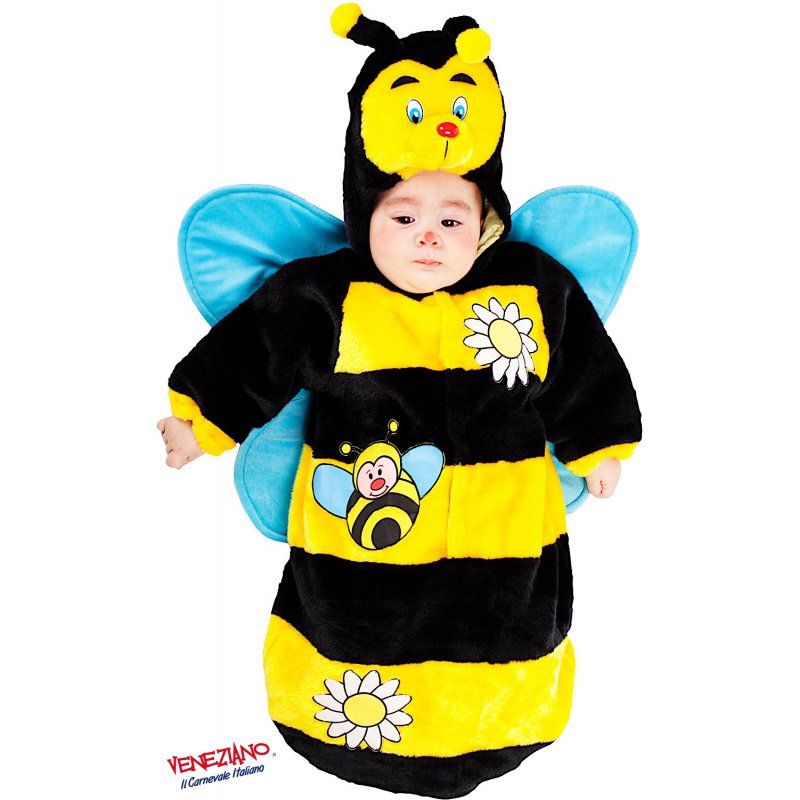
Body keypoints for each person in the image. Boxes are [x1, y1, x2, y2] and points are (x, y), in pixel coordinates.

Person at [158, 8, 641, 798]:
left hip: (505, 528)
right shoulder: (331, 297)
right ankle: (349, 719)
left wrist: (601, 443)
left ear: (485, 223)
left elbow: (583, 364)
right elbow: (257, 351)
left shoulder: (530, 289)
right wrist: (201, 422)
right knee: (362, 623)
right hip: (369, 529)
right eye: (403, 216)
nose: (428, 236)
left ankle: (499, 716)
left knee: (507, 623)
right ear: (365, 215)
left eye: (452, 218)